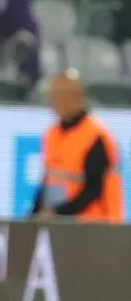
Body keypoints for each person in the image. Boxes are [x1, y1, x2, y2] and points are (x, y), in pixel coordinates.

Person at [31, 71, 124, 223]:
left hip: (95, 226)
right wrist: (34, 214)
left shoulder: (96, 136)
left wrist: (59, 213)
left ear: (73, 98)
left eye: (56, 97)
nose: (52, 103)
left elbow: (93, 189)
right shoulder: (53, 133)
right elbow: (49, 180)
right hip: (60, 225)